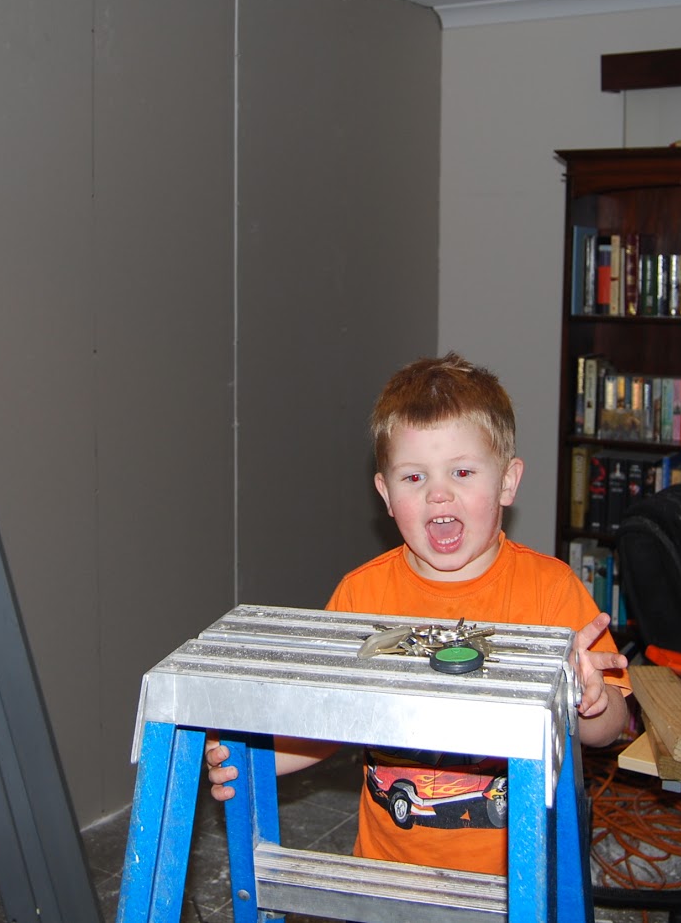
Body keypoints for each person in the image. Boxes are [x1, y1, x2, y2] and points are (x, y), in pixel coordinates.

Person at [204, 352, 630, 876]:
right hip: (388, 874)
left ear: (507, 482)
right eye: (413, 478)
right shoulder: (361, 595)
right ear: (385, 493)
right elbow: (327, 722)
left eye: (463, 471)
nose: (439, 493)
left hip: (519, 884)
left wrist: (589, 699)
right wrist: (251, 759)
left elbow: (611, 727)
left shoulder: (552, 591)